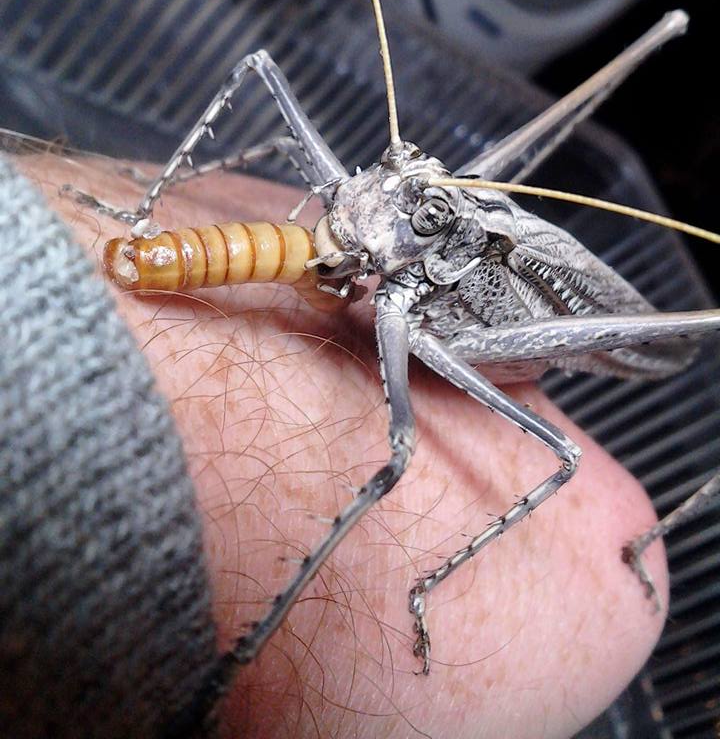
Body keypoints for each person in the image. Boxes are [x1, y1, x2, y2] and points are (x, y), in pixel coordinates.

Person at [0, 147, 668, 738]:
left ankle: (331, 626)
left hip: (496, 337)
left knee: (459, 455)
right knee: (270, 78)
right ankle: (140, 199)